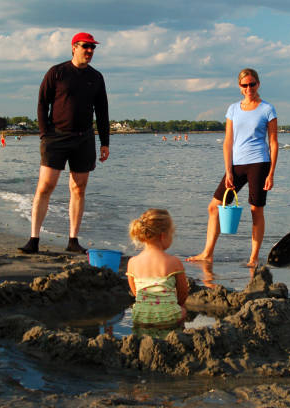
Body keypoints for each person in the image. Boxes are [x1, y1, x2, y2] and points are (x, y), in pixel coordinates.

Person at [18, 32, 110, 254]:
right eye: (85, 47)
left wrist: (105, 142)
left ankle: (73, 240)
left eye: (92, 48)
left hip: (84, 138)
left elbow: (102, 111)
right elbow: (42, 103)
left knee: (78, 189)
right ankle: (34, 239)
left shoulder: (96, 77)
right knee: (45, 187)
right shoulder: (57, 72)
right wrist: (44, 134)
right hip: (55, 138)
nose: (89, 51)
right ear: (73, 47)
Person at [187, 68, 278, 267]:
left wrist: (271, 173)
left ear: (258, 84)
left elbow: (273, 142)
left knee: (256, 210)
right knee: (214, 206)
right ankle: (207, 253)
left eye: (252, 84)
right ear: (239, 87)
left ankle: (253, 258)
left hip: (259, 164)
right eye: (244, 85)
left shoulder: (267, 109)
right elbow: (228, 141)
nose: (248, 88)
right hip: (236, 165)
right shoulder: (233, 109)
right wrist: (228, 170)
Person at [126, 209, 189, 338]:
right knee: (182, 311)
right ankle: (176, 337)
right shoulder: (174, 262)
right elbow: (183, 292)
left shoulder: (132, 262)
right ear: (163, 236)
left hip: (141, 316)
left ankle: (141, 338)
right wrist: (178, 305)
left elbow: (136, 293)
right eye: (172, 234)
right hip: (168, 317)